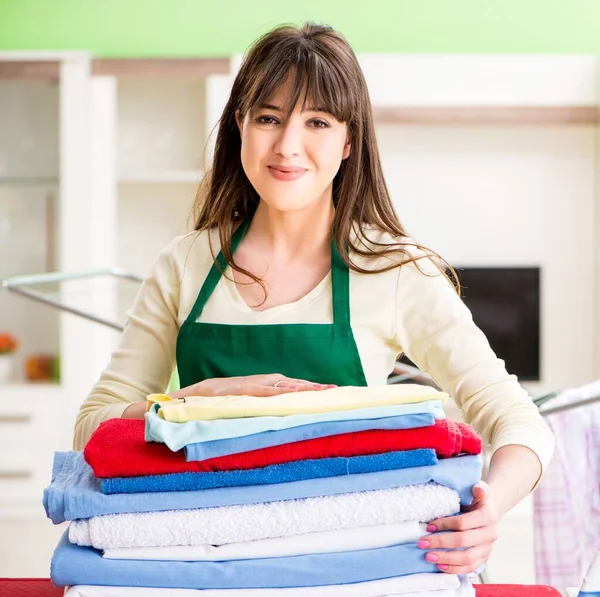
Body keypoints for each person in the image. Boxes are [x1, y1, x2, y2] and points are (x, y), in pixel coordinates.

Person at [74, 22, 554, 575]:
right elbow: (93, 423)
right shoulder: (184, 265)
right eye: (268, 118)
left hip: (354, 566)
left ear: (349, 141)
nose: (287, 146)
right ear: (240, 126)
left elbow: (517, 418)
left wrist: (490, 506)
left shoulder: (396, 270)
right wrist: (197, 400)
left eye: (318, 122)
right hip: (202, 563)